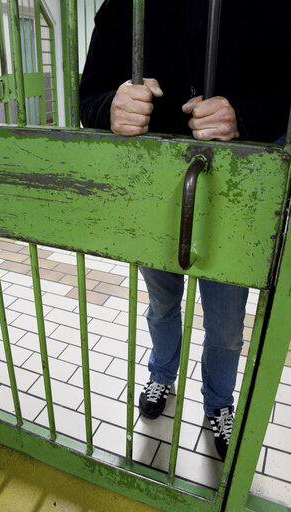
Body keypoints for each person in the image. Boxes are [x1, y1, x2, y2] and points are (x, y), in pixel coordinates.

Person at [79, 0, 291, 461]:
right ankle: (162, 374)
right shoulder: (126, 5)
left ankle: (219, 403)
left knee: (227, 324)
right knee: (161, 304)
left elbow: (282, 95)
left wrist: (244, 116)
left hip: (235, 192)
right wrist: (111, 108)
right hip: (155, 190)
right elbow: (89, 97)